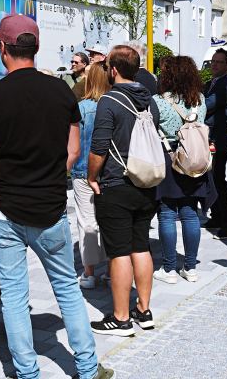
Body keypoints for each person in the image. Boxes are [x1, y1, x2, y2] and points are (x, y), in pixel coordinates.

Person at [0, 15, 112, 379]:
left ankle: (27, 373)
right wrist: (51, 174)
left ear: (3, 48)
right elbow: (73, 150)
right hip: (50, 208)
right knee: (66, 286)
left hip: (5, 211)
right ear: (36, 48)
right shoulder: (62, 91)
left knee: (14, 296)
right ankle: (87, 367)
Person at [88, 45, 160, 337]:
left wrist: (93, 177)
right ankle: (143, 310)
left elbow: (99, 146)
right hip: (146, 182)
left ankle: (120, 318)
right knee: (140, 246)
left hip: (117, 183)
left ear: (113, 70)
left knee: (118, 252)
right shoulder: (149, 100)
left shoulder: (109, 101)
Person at [152, 56, 210, 284]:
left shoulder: (157, 101)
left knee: (167, 213)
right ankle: (190, 267)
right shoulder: (200, 100)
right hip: (194, 159)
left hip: (169, 158)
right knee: (190, 211)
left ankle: (168, 269)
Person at [71, 62, 110, 289]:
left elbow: (73, 143)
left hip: (83, 170)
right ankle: (112, 269)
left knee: (87, 221)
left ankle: (89, 272)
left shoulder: (83, 108)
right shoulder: (114, 104)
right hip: (110, 171)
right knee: (108, 220)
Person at [203, 49, 227, 237]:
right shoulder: (209, 83)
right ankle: (216, 215)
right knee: (209, 180)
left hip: (217, 138)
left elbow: (207, 105)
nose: (214, 65)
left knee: (218, 180)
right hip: (206, 137)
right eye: (212, 61)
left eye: (219, 62)